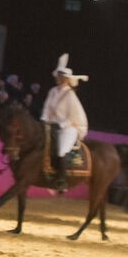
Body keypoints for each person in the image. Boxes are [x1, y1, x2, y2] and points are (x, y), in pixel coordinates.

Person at [41, 53, 89, 193]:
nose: (59, 78)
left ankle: (62, 181)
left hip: (68, 127)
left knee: (61, 151)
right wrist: (44, 121)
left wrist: (60, 124)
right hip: (51, 125)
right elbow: (47, 108)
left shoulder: (70, 95)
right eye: (58, 76)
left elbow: (74, 116)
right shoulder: (52, 92)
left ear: (67, 79)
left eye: (62, 77)